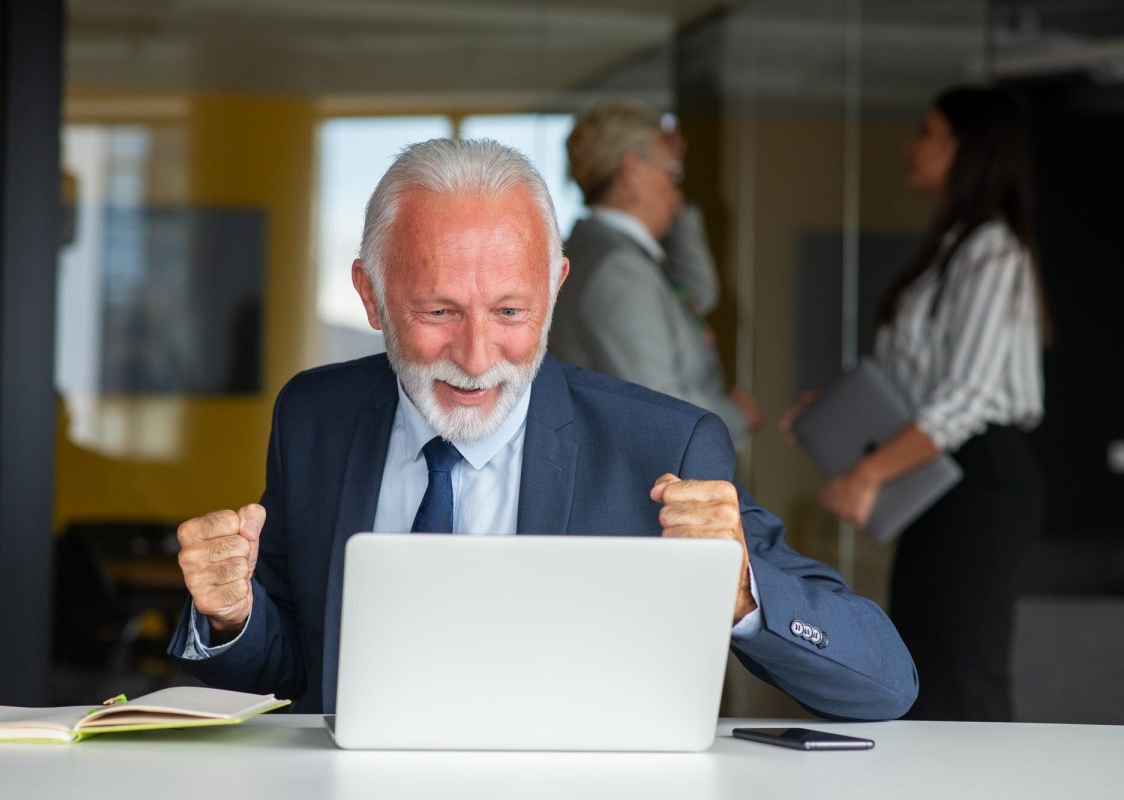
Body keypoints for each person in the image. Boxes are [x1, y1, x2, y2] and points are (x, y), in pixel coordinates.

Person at [168, 137, 917, 720]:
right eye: (438, 313)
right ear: (371, 294)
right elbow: (297, 665)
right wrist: (232, 616)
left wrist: (743, 594)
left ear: (555, 290)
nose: (475, 357)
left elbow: (886, 681)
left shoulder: (663, 446)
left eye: (510, 312)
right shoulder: (315, 417)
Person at [788, 86, 1046, 721]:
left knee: (963, 666)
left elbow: (968, 397)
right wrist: (839, 412)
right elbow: (925, 384)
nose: (913, 145)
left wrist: (869, 471)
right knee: (925, 660)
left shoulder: (992, 249)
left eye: (928, 132)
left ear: (968, 147)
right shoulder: (956, 244)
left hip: (981, 476)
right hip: (941, 473)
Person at [549, 100, 762, 446]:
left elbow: (697, 295)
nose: (677, 192)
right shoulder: (617, 270)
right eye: (673, 173)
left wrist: (670, 177)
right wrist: (736, 414)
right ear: (632, 172)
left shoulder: (609, 251)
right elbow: (661, 405)